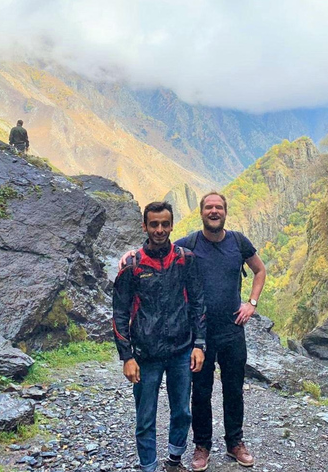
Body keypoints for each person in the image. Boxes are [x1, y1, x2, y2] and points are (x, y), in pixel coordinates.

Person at [119, 191, 267, 470]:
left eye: (219, 207)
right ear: (201, 213)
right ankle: (202, 446)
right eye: (209, 207)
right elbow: (159, 247)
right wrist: (131, 254)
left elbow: (259, 270)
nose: (214, 212)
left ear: (225, 212)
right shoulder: (190, 243)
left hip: (233, 330)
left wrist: (252, 303)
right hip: (199, 333)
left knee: (234, 389)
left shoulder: (238, 241)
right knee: (200, 391)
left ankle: (235, 442)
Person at [113, 201, 207, 472]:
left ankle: (175, 459)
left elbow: (198, 303)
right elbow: (119, 312)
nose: (160, 229)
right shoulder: (132, 264)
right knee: (145, 418)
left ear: (171, 225)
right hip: (145, 354)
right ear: (145, 226)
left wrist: (199, 344)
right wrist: (126, 356)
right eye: (154, 224)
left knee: (182, 412)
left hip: (180, 349)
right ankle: (149, 467)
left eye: (165, 224)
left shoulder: (185, 259)